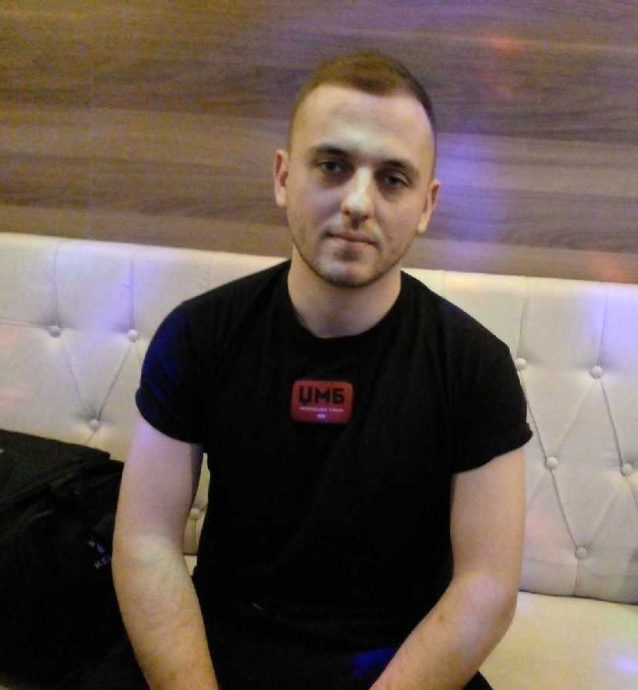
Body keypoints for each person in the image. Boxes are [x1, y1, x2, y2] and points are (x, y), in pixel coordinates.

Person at [101, 51, 531, 690]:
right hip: (218, 647)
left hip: (396, 661)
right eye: (333, 166)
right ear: (283, 177)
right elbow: (145, 544)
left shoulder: (475, 366)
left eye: (393, 179)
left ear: (426, 205)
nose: (358, 202)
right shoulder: (198, 334)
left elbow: (486, 586)